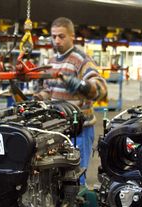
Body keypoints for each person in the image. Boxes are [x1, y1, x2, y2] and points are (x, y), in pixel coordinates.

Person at [34, 17, 107, 185]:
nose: (57, 40)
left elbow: (100, 89)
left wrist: (80, 85)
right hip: (57, 130)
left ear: (72, 36)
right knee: (55, 178)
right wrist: (39, 97)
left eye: (61, 36)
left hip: (79, 130)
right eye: (54, 37)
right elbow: (48, 89)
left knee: (75, 178)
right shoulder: (52, 62)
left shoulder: (81, 59)